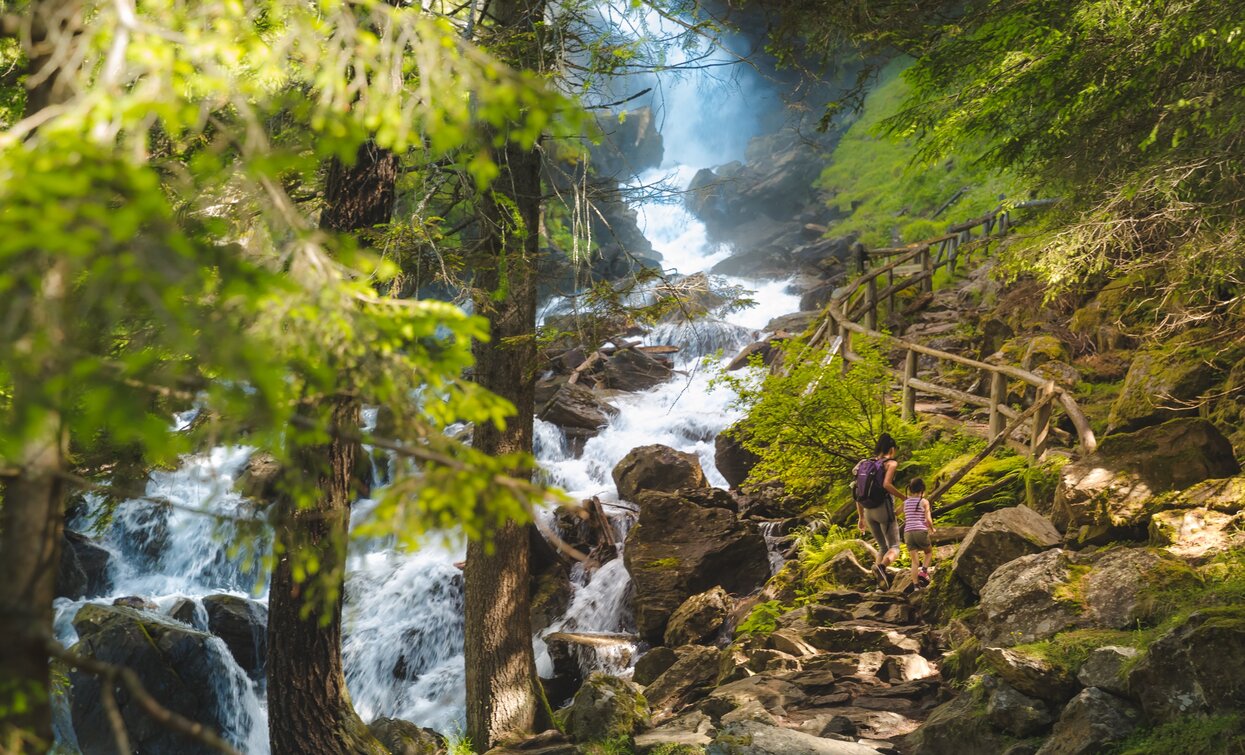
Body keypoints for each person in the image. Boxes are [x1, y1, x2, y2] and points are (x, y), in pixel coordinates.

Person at [855, 433, 905, 589]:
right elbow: (886, 485)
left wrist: (860, 517)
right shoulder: (891, 464)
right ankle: (881, 568)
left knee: (882, 547)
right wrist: (904, 498)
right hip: (883, 508)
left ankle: (878, 586)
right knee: (894, 547)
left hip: (868, 511)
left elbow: (858, 491)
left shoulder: (865, 464)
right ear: (891, 449)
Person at [903, 477, 935, 589]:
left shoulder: (905, 503)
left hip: (907, 533)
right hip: (920, 531)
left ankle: (916, 586)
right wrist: (932, 529)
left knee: (915, 561)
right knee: (929, 552)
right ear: (923, 490)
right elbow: (928, 519)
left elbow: (897, 514)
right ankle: (924, 571)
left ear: (910, 490)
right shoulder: (924, 502)